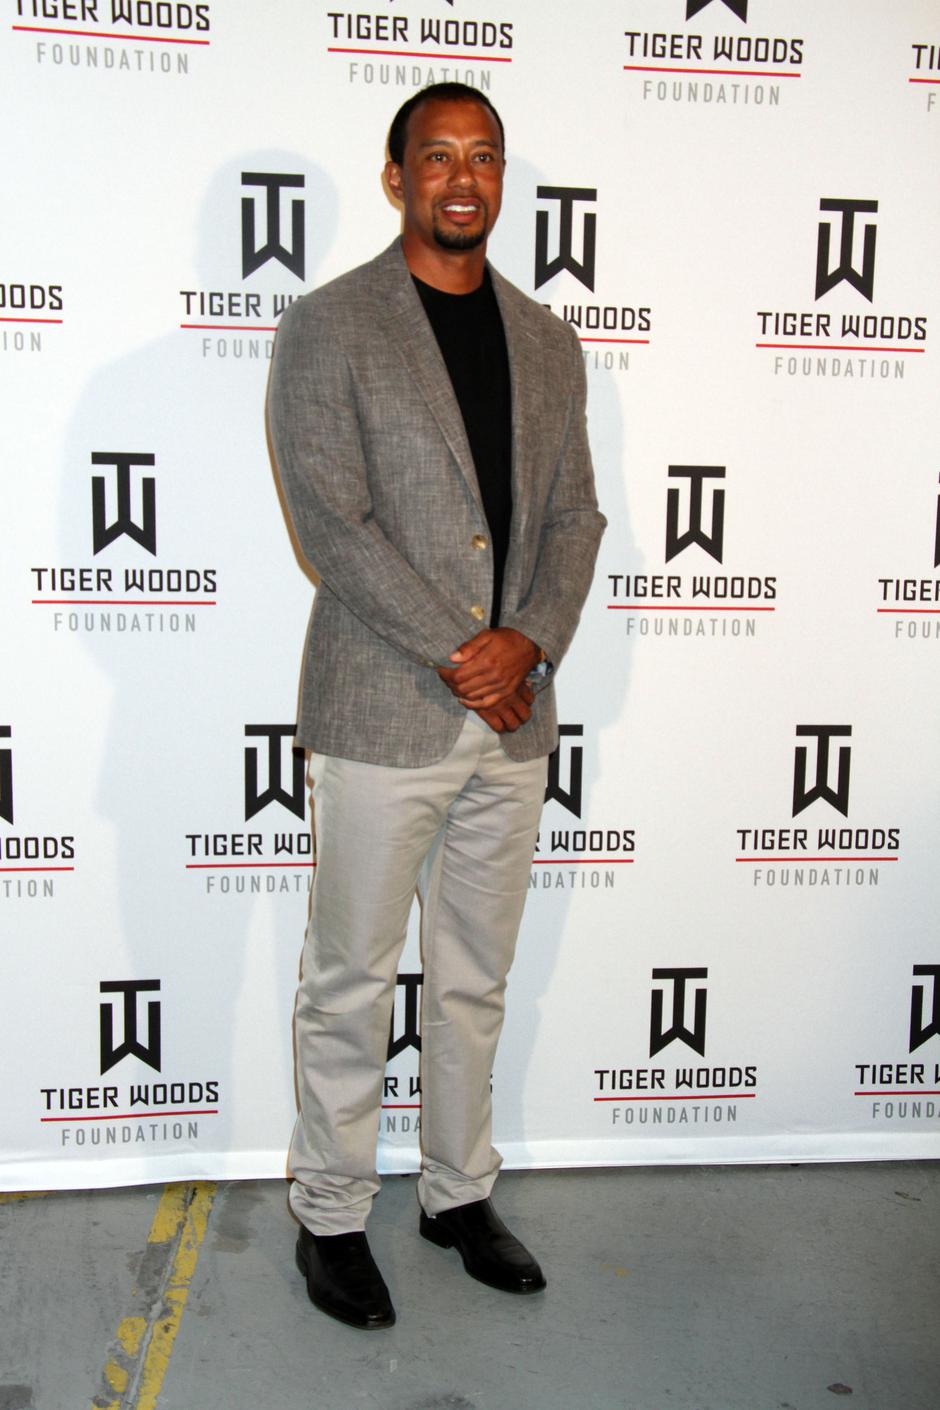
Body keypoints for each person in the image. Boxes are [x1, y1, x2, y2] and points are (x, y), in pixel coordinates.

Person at [268, 82, 605, 1330]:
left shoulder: (548, 341)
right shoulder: (329, 325)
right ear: (396, 176)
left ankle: (459, 1195)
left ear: (500, 179)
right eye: (438, 156)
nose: (463, 178)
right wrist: (468, 649)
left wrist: (531, 643)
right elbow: (331, 524)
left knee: (473, 978)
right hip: (383, 710)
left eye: (484, 157)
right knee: (351, 979)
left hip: (513, 719)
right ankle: (330, 1215)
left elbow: (575, 518)